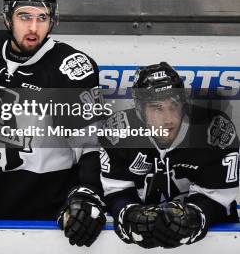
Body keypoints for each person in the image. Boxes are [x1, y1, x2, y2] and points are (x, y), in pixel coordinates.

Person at [0, 0, 105, 246]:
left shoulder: (71, 70)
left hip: (51, 223)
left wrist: (88, 194)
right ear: (7, 17)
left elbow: (92, 147)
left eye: (42, 18)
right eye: (24, 16)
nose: (33, 28)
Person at [100, 62, 240, 249]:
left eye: (173, 105)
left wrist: (194, 216)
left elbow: (220, 199)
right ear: (140, 110)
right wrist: (130, 214)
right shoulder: (120, 132)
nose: (168, 119)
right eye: (157, 108)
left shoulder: (212, 132)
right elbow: (115, 191)